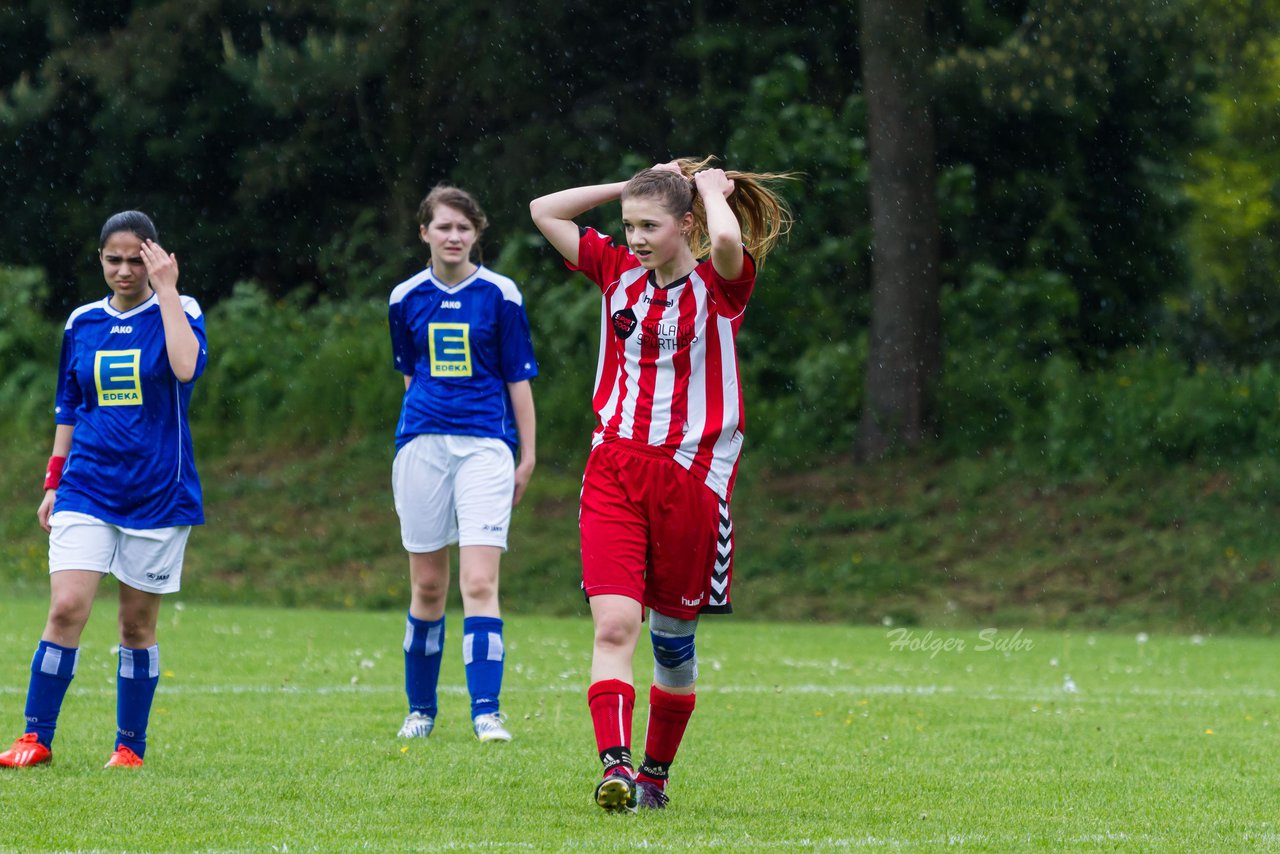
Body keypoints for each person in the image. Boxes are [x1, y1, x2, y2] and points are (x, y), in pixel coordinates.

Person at [529, 157, 793, 811]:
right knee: (614, 626)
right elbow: (544, 209)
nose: (637, 237)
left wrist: (705, 190)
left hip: (692, 480)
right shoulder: (616, 273)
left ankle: (654, 777)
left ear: (685, 225)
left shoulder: (720, 286)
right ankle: (614, 767)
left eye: (650, 224)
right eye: (629, 225)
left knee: (673, 646)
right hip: (615, 468)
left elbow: (729, 240)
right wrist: (631, 186)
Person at [0, 211, 207, 770]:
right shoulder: (81, 323)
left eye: (135, 259)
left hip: (157, 492)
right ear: (100, 260)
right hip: (86, 484)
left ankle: (129, 749)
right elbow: (69, 406)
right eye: (112, 259)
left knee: (135, 625)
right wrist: (52, 481)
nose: (123, 270)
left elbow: (186, 369)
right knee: (67, 607)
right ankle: (35, 738)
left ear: (155, 257)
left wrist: (167, 290)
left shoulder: (180, 310)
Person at [388, 185, 538, 744]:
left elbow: (517, 380)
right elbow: (411, 378)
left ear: (477, 235)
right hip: (422, 445)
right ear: (423, 232)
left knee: (479, 581)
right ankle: (420, 711)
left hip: (485, 447)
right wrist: (413, 440)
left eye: (464, 228)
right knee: (427, 587)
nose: (454, 237)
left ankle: (486, 712)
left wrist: (527, 455)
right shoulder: (404, 299)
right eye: (443, 226)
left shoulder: (501, 295)